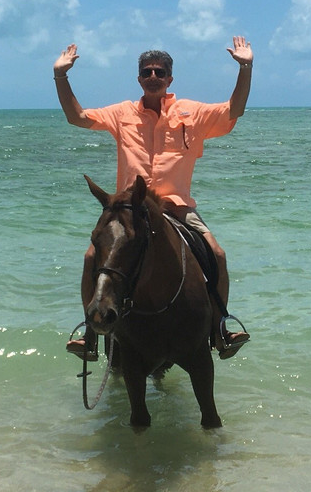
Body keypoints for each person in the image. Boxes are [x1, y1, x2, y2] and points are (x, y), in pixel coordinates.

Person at [54, 37, 254, 361]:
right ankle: (90, 333)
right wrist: (60, 75)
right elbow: (76, 116)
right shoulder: (121, 114)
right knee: (92, 257)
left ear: (170, 79)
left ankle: (220, 327)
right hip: (128, 211)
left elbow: (236, 109)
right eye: (146, 72)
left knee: (217, 253)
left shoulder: (193, 113)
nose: (153, 77)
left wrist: (245, 67)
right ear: (139, 78)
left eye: (159, 72)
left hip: (177, 207)